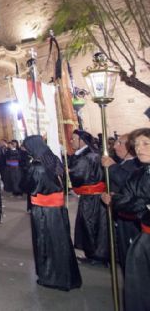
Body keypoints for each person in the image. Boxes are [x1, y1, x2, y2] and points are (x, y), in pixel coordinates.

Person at [21, 135, 82, 291]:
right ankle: (67, 276)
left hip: (44, 211)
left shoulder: (36, 166)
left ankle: (52, 277)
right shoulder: (53, 159)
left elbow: (28, 186)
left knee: (46, 243)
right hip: (58, 208)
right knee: (61, 241)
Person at [109, 128, 150, 311]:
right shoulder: (139, 174)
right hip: (144, 239)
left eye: (146, 144)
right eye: (137, 145)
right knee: (139, 289)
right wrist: (143, 203)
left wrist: (136, 202)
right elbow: (121, 201)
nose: (139, 149)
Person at [100, 134, 141, 271]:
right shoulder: (123, 163)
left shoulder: (136, 165)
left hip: (133, 221)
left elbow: (129, 185)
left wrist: (112, 167)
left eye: (119, 143)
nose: (115, 146)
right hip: (121, 216)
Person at [69, 130, 108, 265]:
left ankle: (97, 256)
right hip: (89, 196)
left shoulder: (89, 156)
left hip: (92, 198)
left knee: (91, 224)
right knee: (91, 225)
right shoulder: (89, 154)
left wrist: (69, 172)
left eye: (74, 138)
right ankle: (93, 253)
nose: (71, 141)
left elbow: (79, 174)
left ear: (82, 141)